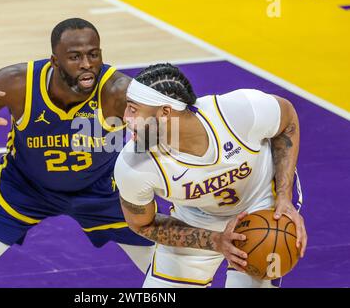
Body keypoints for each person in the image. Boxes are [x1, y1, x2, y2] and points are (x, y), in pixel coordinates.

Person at [0, 18, 155, 287]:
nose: (87, 64)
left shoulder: (117, 91)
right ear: (54, 61)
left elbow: (162, 138)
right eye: (75, 57)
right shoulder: (18, 83)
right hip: (23, 188)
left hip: (101, 191)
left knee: (164, 270)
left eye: (93, 54)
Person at [114, 63, 307, 288]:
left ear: (165, 112)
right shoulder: (133, 165)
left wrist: (284, 196)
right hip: (195, 221)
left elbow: (287, 119)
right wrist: (214, 240)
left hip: (260, 209)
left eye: (133, 109)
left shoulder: (238, 112)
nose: (124, 118)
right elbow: (141, 224)